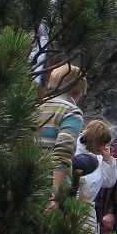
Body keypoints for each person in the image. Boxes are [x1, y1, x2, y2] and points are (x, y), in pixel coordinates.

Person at [36, 63, 87, 213]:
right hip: (50, 187)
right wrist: (55, 195)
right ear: (79, 89)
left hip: (26, 184)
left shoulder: (36, 106)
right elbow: (62, 152)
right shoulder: (71, 111)